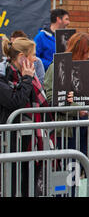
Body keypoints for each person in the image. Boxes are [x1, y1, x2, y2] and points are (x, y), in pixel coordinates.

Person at [1, 36, 52, 196]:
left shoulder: (31, 79)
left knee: (30, 185)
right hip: (12, 141)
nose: (36, 59)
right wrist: (27, 79)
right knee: (13, 185)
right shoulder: (4, 77)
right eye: (33, 55)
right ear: (22, 58)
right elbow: (17, 102)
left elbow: (42, 104)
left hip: (32, 139)